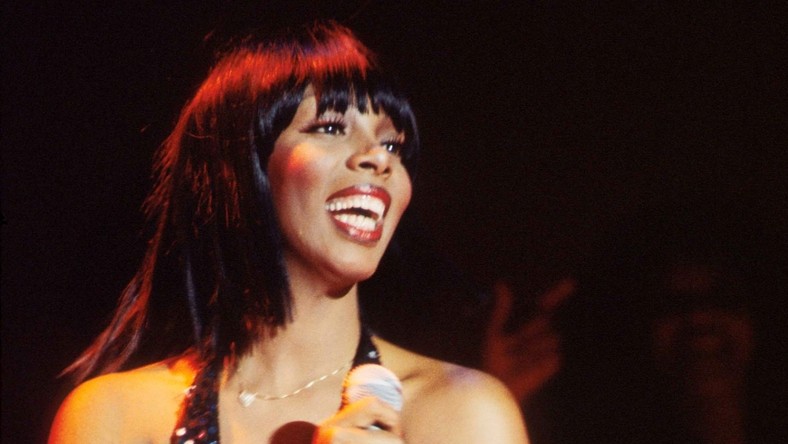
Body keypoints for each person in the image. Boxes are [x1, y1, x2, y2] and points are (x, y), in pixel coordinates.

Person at [48, 22, 528, 444]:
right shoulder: (116, 417)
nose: (378, 158)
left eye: (392, 144)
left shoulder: (462, 413)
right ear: (240, 166)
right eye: (330, 127)